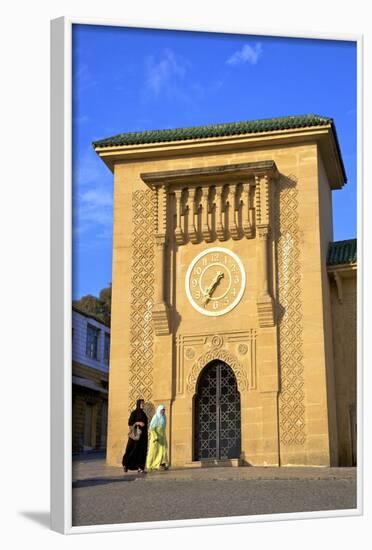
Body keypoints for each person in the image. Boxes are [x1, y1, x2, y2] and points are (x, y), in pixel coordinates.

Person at [122, 399, 148, 473]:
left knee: (141, 452)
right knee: (131, 450)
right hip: (135, 436)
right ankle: (126, 465)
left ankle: (140, 468)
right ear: (138, 404)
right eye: (142, 403)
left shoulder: (144, 414)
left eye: (143, 404)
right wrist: (138, 423)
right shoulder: (134, 413)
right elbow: (130, 422)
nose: (143, 405)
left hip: (143, 437)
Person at [146, 404, 169, 471]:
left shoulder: (164, 417)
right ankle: (150, 465)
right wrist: (155, 436)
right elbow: (151, 428)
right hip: (155, 437)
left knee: (163, 450)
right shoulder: (156, 417)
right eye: (162, 410)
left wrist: (164, 437)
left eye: (164, 410)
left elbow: (163, 428)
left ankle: (162, 464)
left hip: (162, 436)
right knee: (154, 451)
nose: (163, 412)